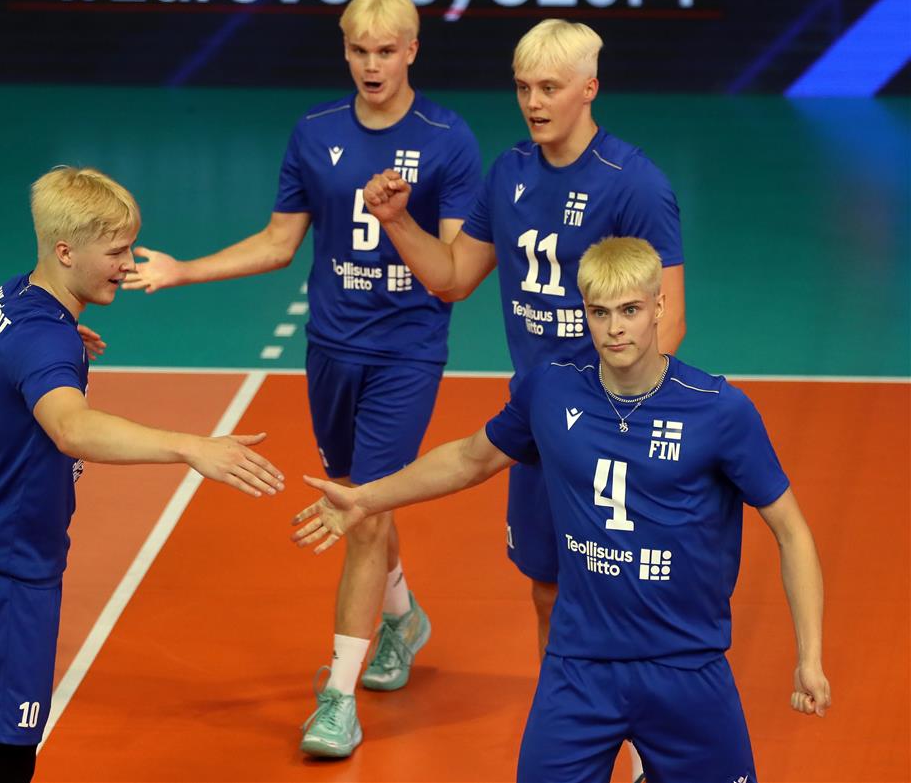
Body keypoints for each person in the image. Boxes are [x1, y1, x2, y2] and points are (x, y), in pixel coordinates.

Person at [292, 237, 831, 783]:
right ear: (585, 314)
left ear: (659, 307)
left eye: (630, 310)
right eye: (600, 312)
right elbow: (470, 459)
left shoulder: (719, 411)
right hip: (579, 668)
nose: (615, 328)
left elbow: (792, 531)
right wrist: (364, 498)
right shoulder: (552, 389)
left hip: (686, 667)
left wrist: (809, 657)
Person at [122, 0, 481, 758]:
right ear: (345, 50)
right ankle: (404, 617)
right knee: (363, 495)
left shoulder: (448, 139)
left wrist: (397, 219)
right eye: (359, 50)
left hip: (406, 350)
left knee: (362, 509)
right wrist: (184, 270)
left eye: (386, 51)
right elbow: (279, 242)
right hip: (329, 349)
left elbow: (452, 273)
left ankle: (338, 700)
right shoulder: (316, 132)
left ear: (412, 50)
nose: (372, 64)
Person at [362, 19, 685, 779]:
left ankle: (644, 750)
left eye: (549, 88)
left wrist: (611, 417)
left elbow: (668, 323)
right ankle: (577, 742)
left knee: (622, 595)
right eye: (523, 88)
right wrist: (397, 221)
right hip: (540, 425)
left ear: (589, 88)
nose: (533, 103)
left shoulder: (633, 183)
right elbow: (451, 277)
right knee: (548, 590)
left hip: (613, 427)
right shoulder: (508, 173)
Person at [0, 165, 284, 783]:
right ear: (65, 251)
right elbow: (72, 428)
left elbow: (5, 347)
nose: (128, 264)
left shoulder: (11, 297)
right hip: (3, 570)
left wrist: (52, 345)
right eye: (116, 252)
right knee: (4, 758)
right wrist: (192, 447)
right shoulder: (44, 340)